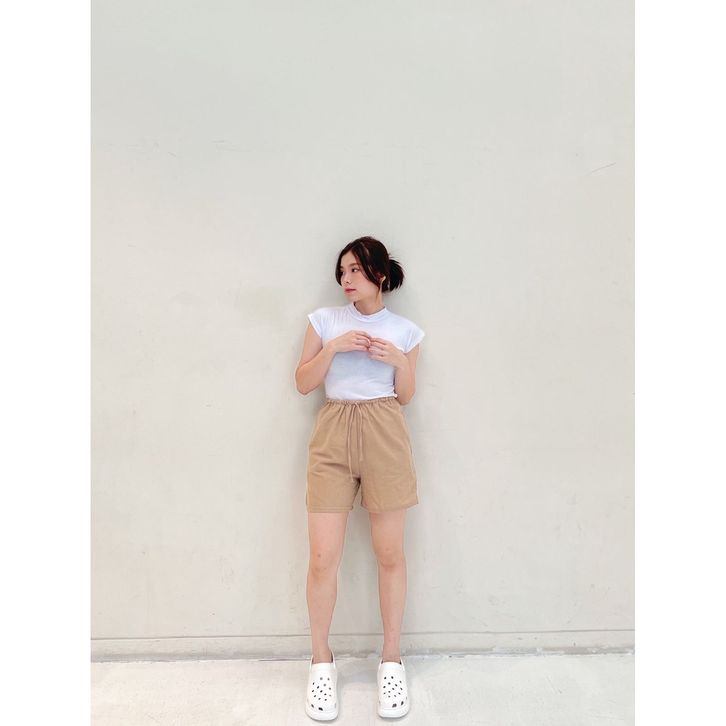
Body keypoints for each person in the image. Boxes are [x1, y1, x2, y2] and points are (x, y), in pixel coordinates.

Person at [295, 235, 425, 720]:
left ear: (380, 275)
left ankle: (391, 661)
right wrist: (332, 349)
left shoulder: (406, 332)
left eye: (356, 270)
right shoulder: (324, 321)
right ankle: (320, 663)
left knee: (390, 554)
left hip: (385, 429)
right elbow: (303, 382)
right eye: (343, 271)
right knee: (322, 558)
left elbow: (406, 395)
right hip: (333, 431)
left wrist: (398, 362)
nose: (346, 279)